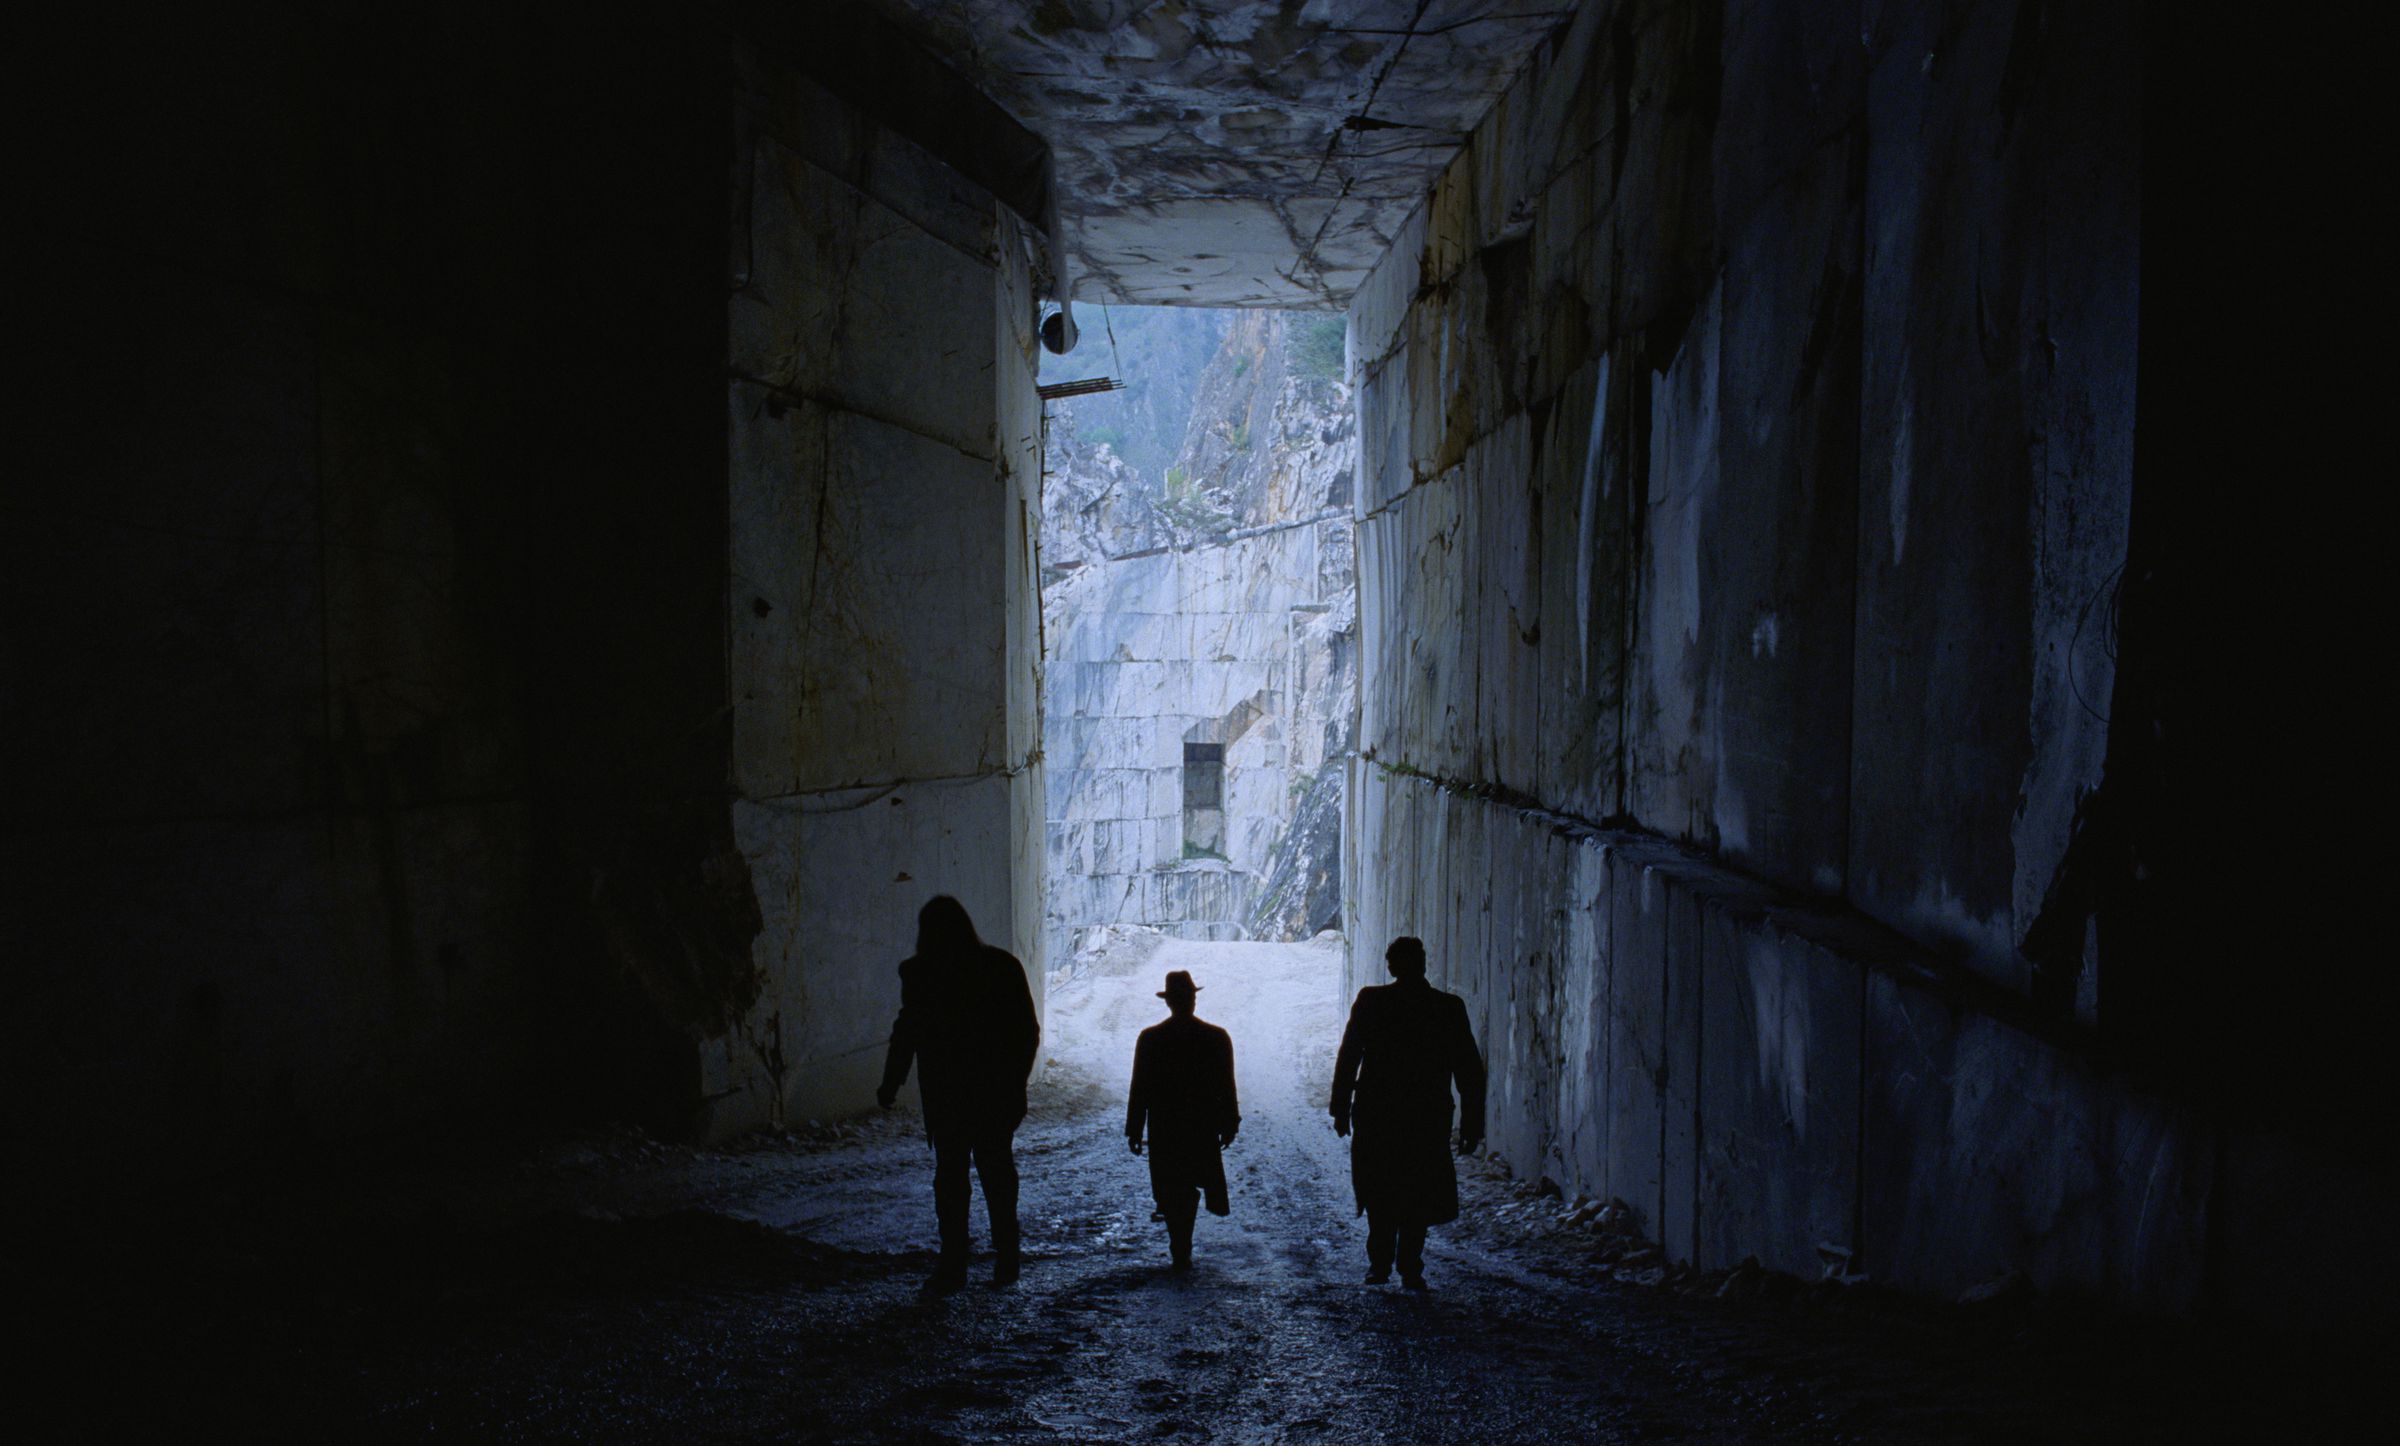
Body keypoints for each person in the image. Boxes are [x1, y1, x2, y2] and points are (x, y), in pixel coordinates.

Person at [877, 895, 1040, 1290]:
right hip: (993, 1095)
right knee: (998, 1178)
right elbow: (1026, 1033)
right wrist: (1015, 1085)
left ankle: (953, 1266)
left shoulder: (920, 974)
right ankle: (1007, 1260)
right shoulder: (1002, 966)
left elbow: (907, 1031)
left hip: (947, 1097)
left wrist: (891, 1082)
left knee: (951, 1180)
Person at [1330, 935, 1485, 1290]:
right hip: (1426, 1116)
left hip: (1377, 1114)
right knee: (1418, 1188)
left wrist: (1340, 1108)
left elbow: (1349, 1056)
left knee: (1379, 1187)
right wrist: (1472, 1124)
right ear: (1423, 964)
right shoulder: (1447, 1007)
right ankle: (1410, 1266)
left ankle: (1380, 1264)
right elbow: (1468, 1070)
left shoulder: (1372, 1001)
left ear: (1390, 966)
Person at [1126, 970, 1240, 1271]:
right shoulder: (1216, 1037)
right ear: (1193, 1000)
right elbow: (1226, 1085)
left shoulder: (1151, 1039)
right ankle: (1182, 1244)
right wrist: (1229, 1122)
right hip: (1201, 1125)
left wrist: (1134, 1129)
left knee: (1172, 1185)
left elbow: (1140, 1088)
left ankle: (1179, 1244)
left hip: (1165, 1126)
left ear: (1168, 1002)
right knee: (1190, 1183)